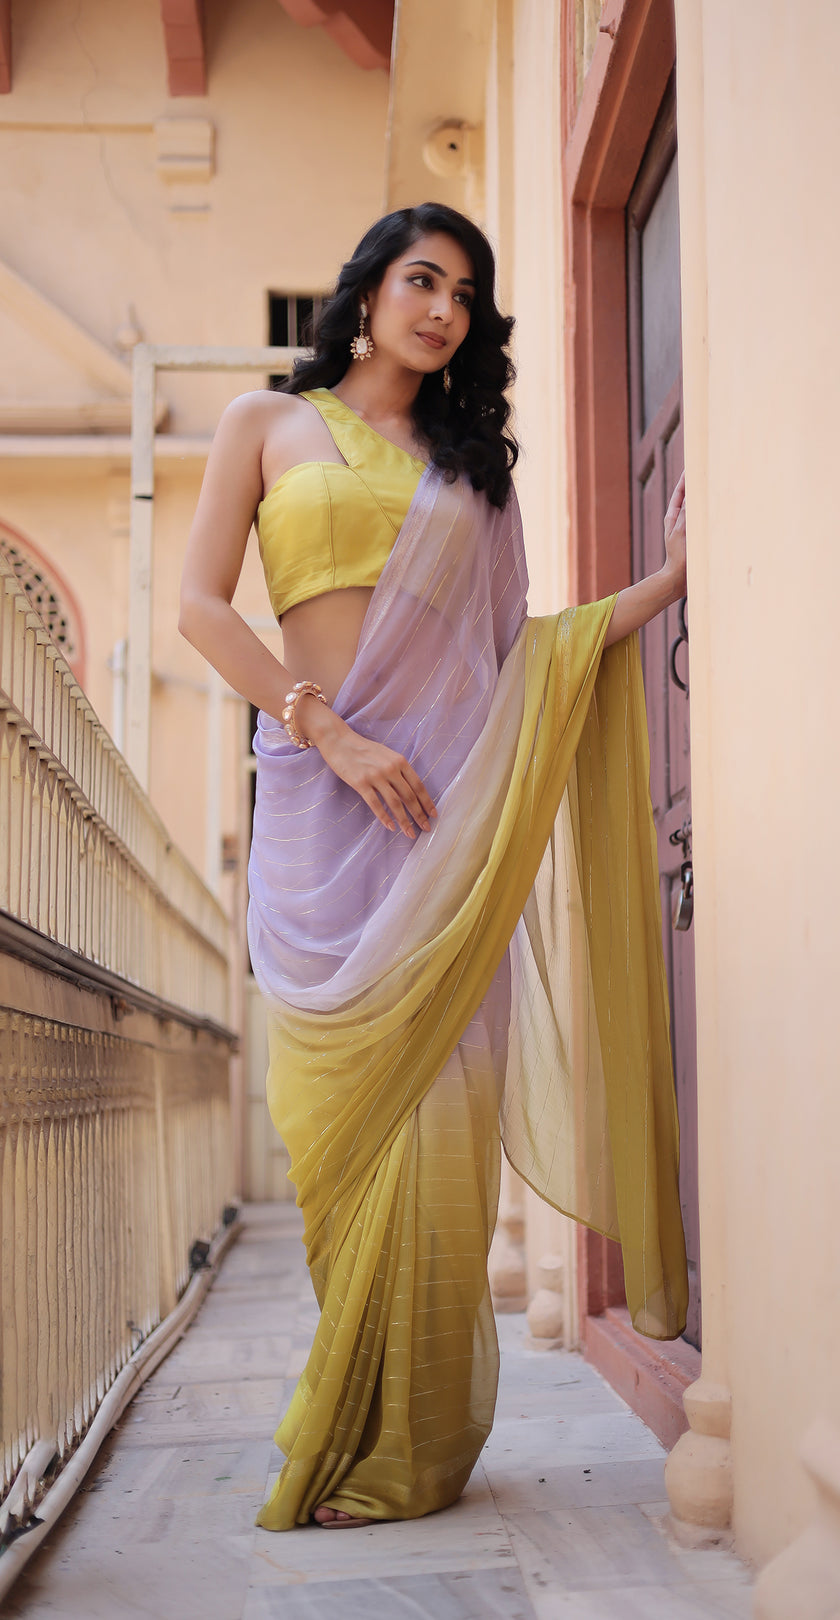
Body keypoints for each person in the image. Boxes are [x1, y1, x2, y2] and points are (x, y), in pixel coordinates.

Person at [179, 202, 688, 1531]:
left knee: (439, 1130)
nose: (443, 310)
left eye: (465, 293)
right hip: (319, 806)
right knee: (332, 1129)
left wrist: (665, 585)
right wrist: (328, 732)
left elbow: (524, 660)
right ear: (367, 293)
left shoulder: (476, 478)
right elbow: (198, 608)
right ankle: (355, 1408)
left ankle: (404, 1445)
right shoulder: (266, 424)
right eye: (422, 280)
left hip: (442, 825)